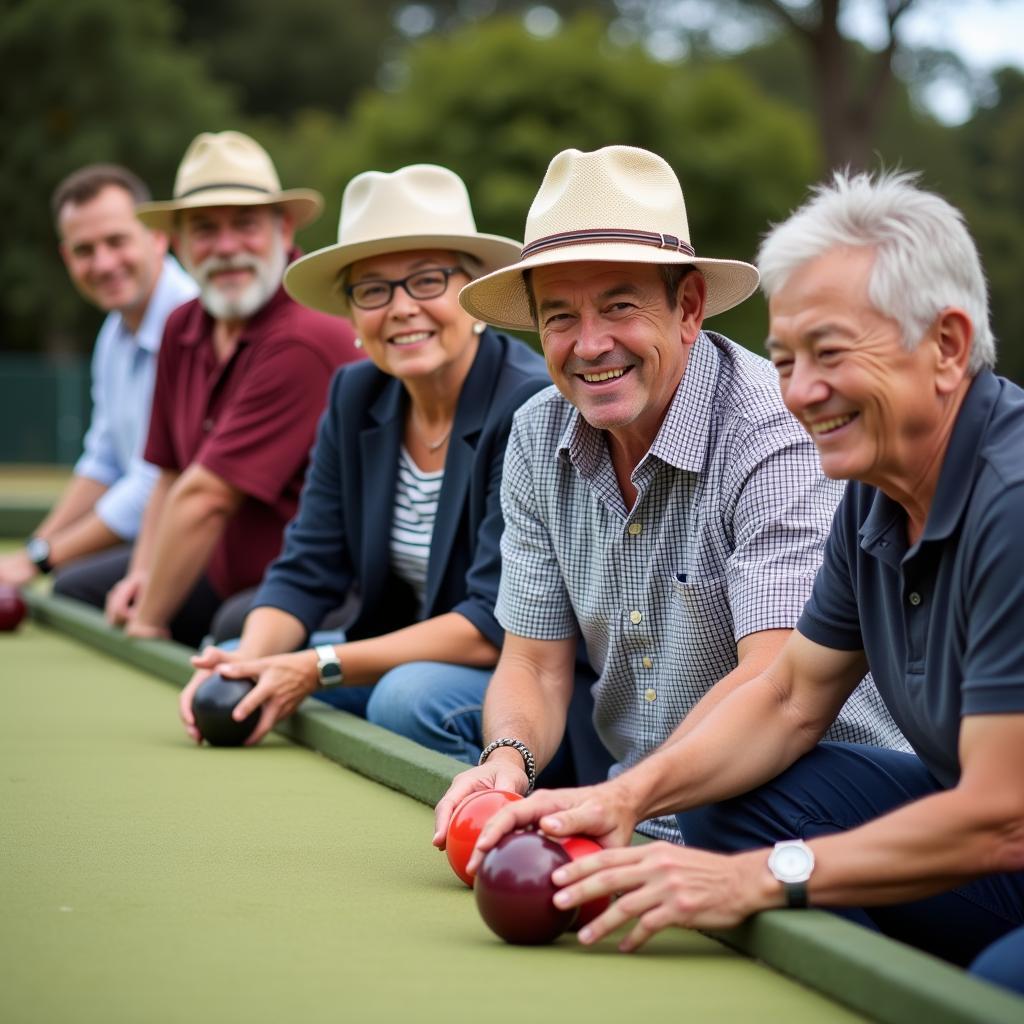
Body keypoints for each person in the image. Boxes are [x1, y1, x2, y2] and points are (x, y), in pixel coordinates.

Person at [465, 171, 1024, 996]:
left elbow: (1001, 817)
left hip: (996, 827)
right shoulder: (877, 483)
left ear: (946, 346)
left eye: (830, 354)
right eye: (787, 359)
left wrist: (762, 877)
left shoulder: (1010, 501)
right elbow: (791, 696)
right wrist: (626, 798)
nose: (800, 393)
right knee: (726, 803)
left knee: (994, 984)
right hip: (971, 819)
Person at [433, 145, 906, 844]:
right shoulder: (534, 433)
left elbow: (772, 677)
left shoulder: (774, 429)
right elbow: (533, 662)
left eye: (619, 306)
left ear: (688, 308)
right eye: (559, 316)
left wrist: (624, 798)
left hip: (819, 793)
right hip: (648, 805)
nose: (590, 344)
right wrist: (507, 760)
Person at [176, 164, 553, 758]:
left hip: (531, 675)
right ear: (353, 316)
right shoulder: (355, 395)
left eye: (427, 281)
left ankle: (500, 804)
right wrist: (246, 666)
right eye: (373, 290)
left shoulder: (526, 403)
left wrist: (318, 664)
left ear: (473, 294)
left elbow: (492, 620)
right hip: (414, 650)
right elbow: (308, 565)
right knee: (243, 637)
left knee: (402, 698)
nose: (401, 308)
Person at [54, 131, 362, 647]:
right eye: (204, 229)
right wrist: (144, 573)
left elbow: (206, 499)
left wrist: (148, 622)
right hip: (224, 574)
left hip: (322, 587)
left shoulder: (305, 337)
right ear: (176, 242)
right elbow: (170, 474)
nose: (225, 248)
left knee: (230, 625)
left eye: (245, 225)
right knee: (76, 587)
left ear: (283, 230)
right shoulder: (181, 325)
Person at [0, 165, 196, 588]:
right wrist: (35, 547)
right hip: (154, 540)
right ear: (67, 257)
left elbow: (150, 484)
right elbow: (103, 462)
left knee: (73, 583)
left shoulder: (193, 323)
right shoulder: (112, 333)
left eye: (116, 241)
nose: (104, 263)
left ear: (158, 237)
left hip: (211, 549)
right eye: (85, 249)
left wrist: (40, 560)